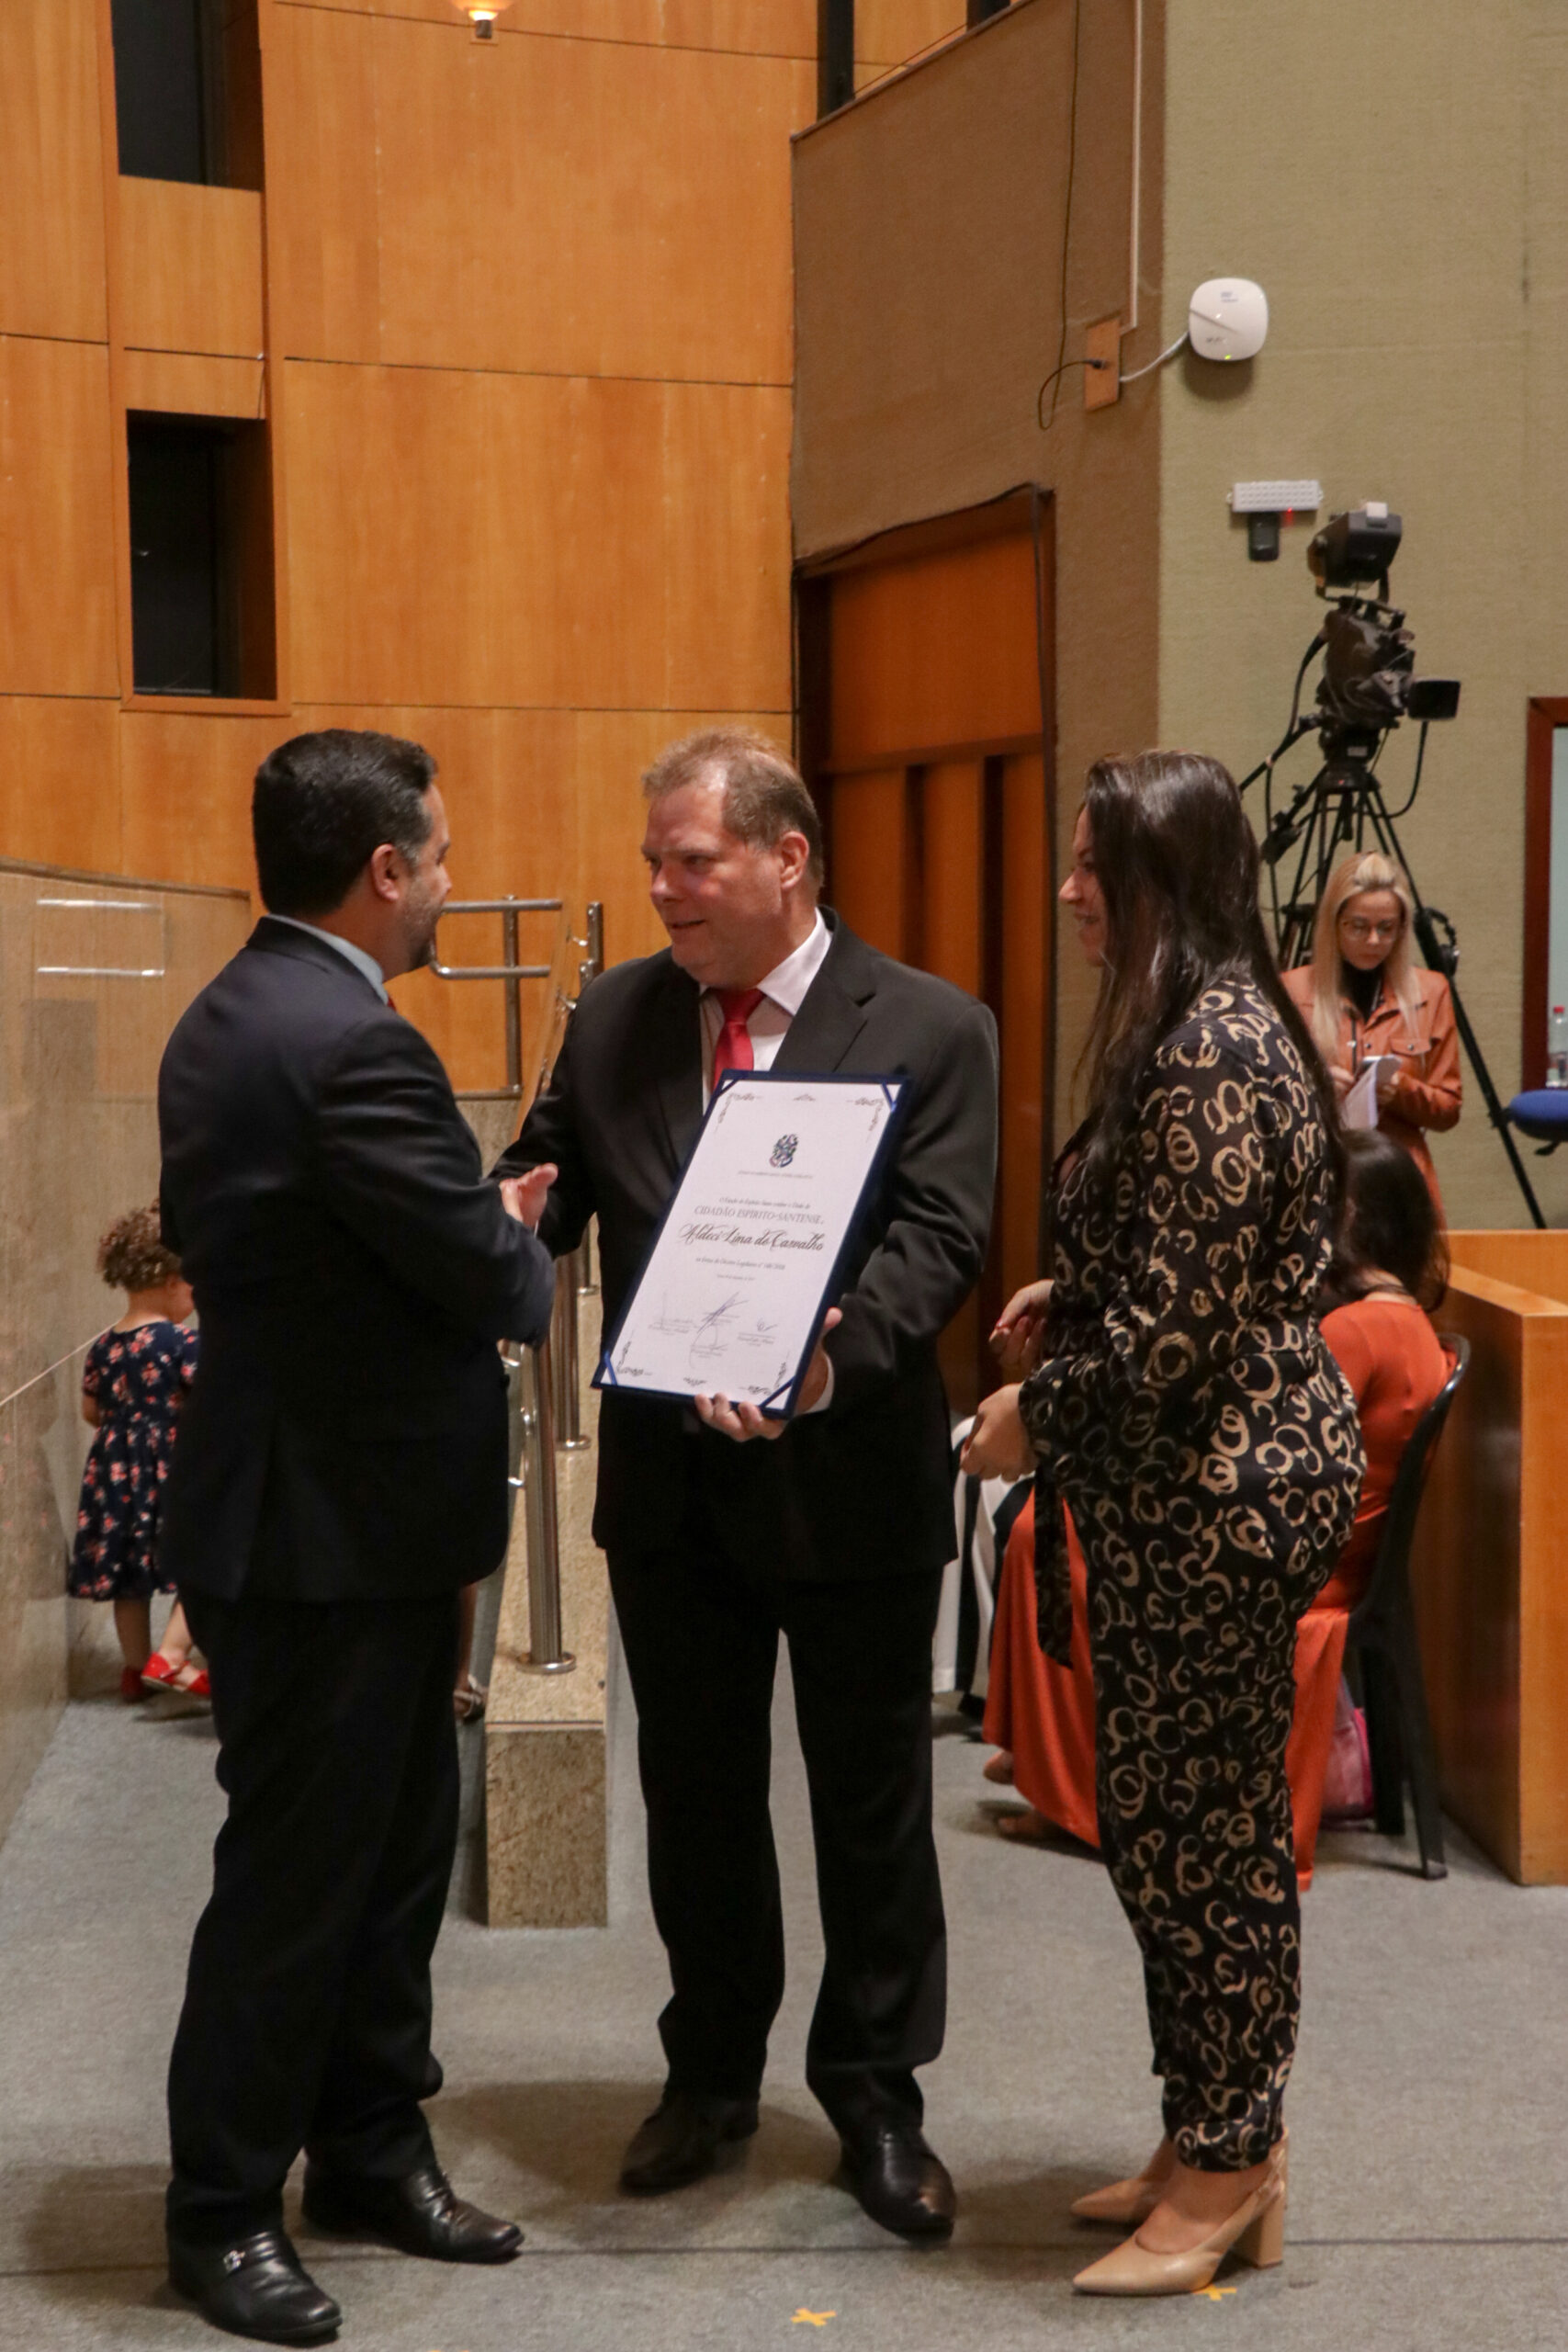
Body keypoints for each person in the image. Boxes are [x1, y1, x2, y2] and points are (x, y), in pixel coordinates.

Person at [499, 728, 998, 2240]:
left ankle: (874, 2095)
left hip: (846, 1480)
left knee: (869, 1807)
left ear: (787, 859)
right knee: (698, 1802)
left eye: (691, 861)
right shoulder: (616, 1016)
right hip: (673, 1495)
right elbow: (548, 1174)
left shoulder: (931, 1026)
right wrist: (508, 1209)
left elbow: (939, 1235)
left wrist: (828, 1363)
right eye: (653, 861)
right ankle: (709, 2076)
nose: (662, 888)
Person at [158, 729, 558, 2346]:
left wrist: (462, 1228)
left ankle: (372, 2152)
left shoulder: (237, 1006)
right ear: (384, 871)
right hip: (318, 1538)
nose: (452, 882)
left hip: (348, 1526)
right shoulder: (351, 1046)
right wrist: (511, 1235)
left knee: (391, 1865)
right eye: (440, 856)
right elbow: (492, 1282)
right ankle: (221, 2208)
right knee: (298, 1887)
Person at [963, 751, 1362, 2298]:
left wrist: (1032, 1414)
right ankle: (1204, 2125)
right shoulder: (1198, 1023)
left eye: (1092, 866)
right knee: (1162, 1825)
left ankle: (1231, 2158)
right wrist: (1076, 1288)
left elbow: (1179, 1338)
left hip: (1222, 1489)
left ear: (1160, 880)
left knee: (1206, 1840)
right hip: (1186, 1482)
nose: (1068, 889)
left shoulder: (1210, 1045)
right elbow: (1192, 1261)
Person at [979, 1127, 1451, 1880]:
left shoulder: (1358, 1329)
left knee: (1053, 1529)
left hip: (1288, 1563)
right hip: (1317, 1548)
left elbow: (1261, 1437)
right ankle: (1053, 1760)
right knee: (1062, 1522)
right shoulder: (1403, 1321)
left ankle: (1073, 1791)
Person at [69, 1205, 208, 1702]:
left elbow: (91, 1410)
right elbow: (206, 1403)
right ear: (172, 1282)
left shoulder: (103, 1346)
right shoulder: (182, 1342)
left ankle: (133, 1670)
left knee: (129, 1576)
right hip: (171, 1469)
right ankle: (172, 1657)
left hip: (114, 1473)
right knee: (200, 1558)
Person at [1281, 849, 1460, 1216]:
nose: (1374, 940)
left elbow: (1448, 1110)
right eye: (1359, 927)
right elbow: (1265, 1101)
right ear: (1335, 923)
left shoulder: (1431, 991)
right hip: (1319, 1178)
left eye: (1387, 928)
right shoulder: (1292, 990)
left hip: (1400, 1186)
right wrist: (1314, 1086)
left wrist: (1401, 1091)